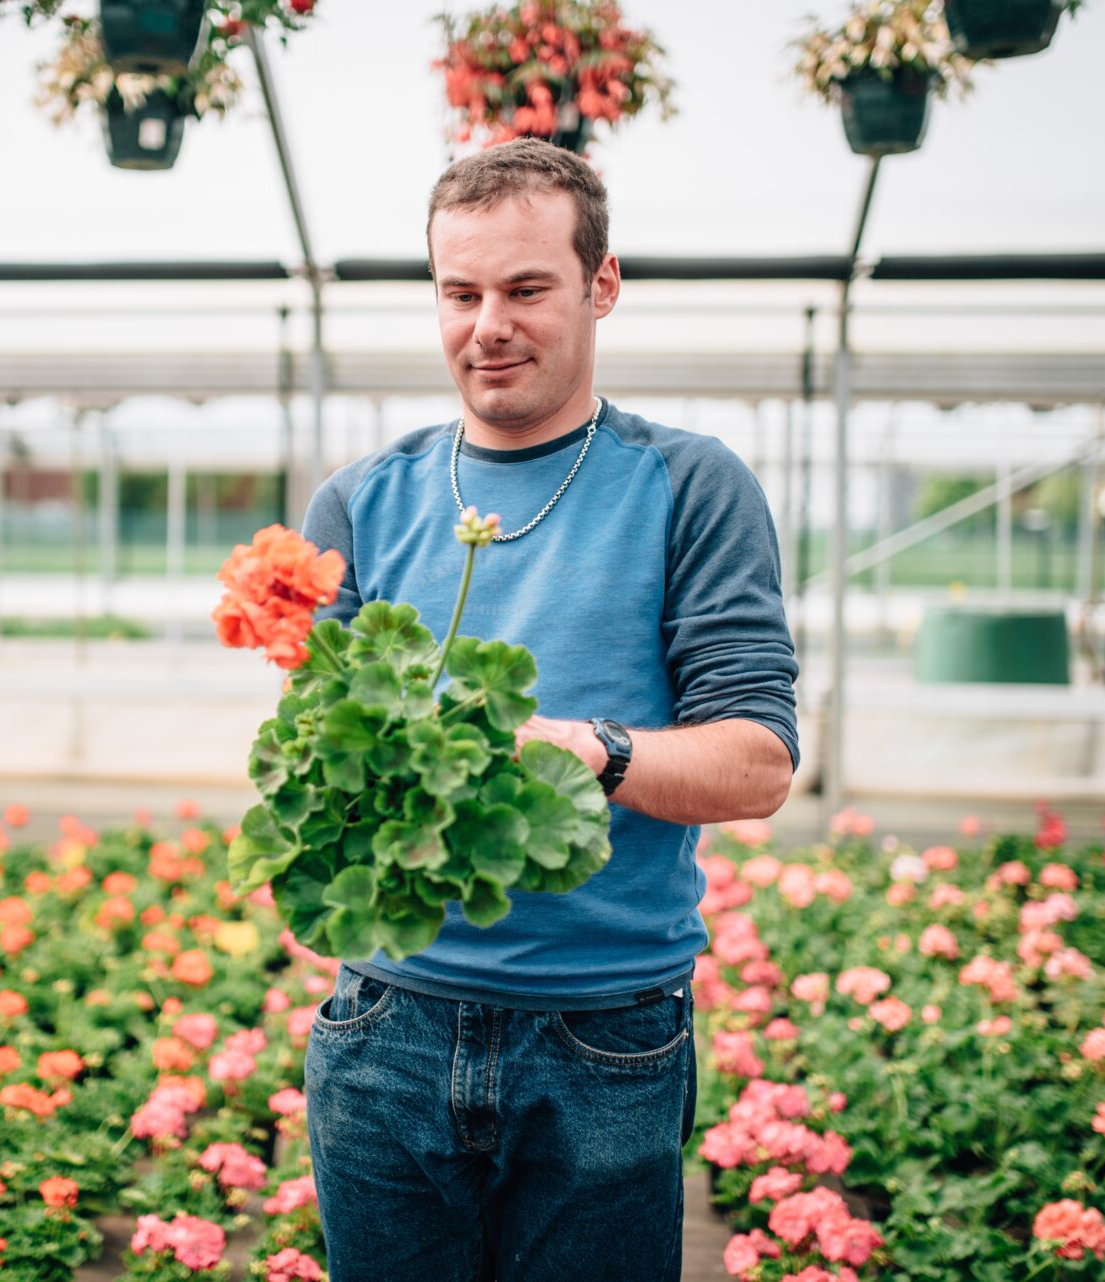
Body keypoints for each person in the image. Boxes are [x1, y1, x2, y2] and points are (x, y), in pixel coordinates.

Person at [296, 137, 800, 1282]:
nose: (490, 326)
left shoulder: (690, 483)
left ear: (601, 285)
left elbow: (759, 764)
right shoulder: (360, 502)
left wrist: (596, 751)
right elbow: (322, 773)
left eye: (527, 289)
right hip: (386, 1026)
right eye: (461, 293)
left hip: (603, 1036)